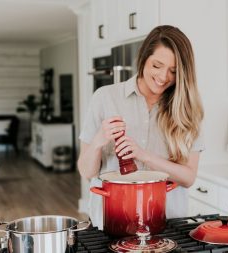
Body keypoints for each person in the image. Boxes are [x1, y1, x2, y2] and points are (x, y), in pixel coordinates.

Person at [77, 25, 205, 229]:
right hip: (112, 223)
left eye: (174, 71)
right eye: (157, 65)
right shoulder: (105, 97)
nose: (164, 77)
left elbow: (188, 178)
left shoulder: (187, 110)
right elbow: (86, 171)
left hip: (167, 224)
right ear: (144, 58)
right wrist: (98, 142)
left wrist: (142, 155)